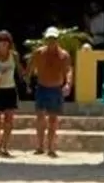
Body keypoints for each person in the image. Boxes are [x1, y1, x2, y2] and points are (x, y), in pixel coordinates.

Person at [29, 26, 73, 156]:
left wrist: (68, 84)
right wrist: (27, 80)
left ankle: (51, 147)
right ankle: (39, 146)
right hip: (42, 87)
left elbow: (68, 70)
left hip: (55, 88)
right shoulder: (39, 53)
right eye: (49, 39)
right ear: (45, 39)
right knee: (40, 117)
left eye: (54, 39)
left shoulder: (63, 55)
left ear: (57, 40)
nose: (51, 41)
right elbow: (31, 67)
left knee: (53, 119)